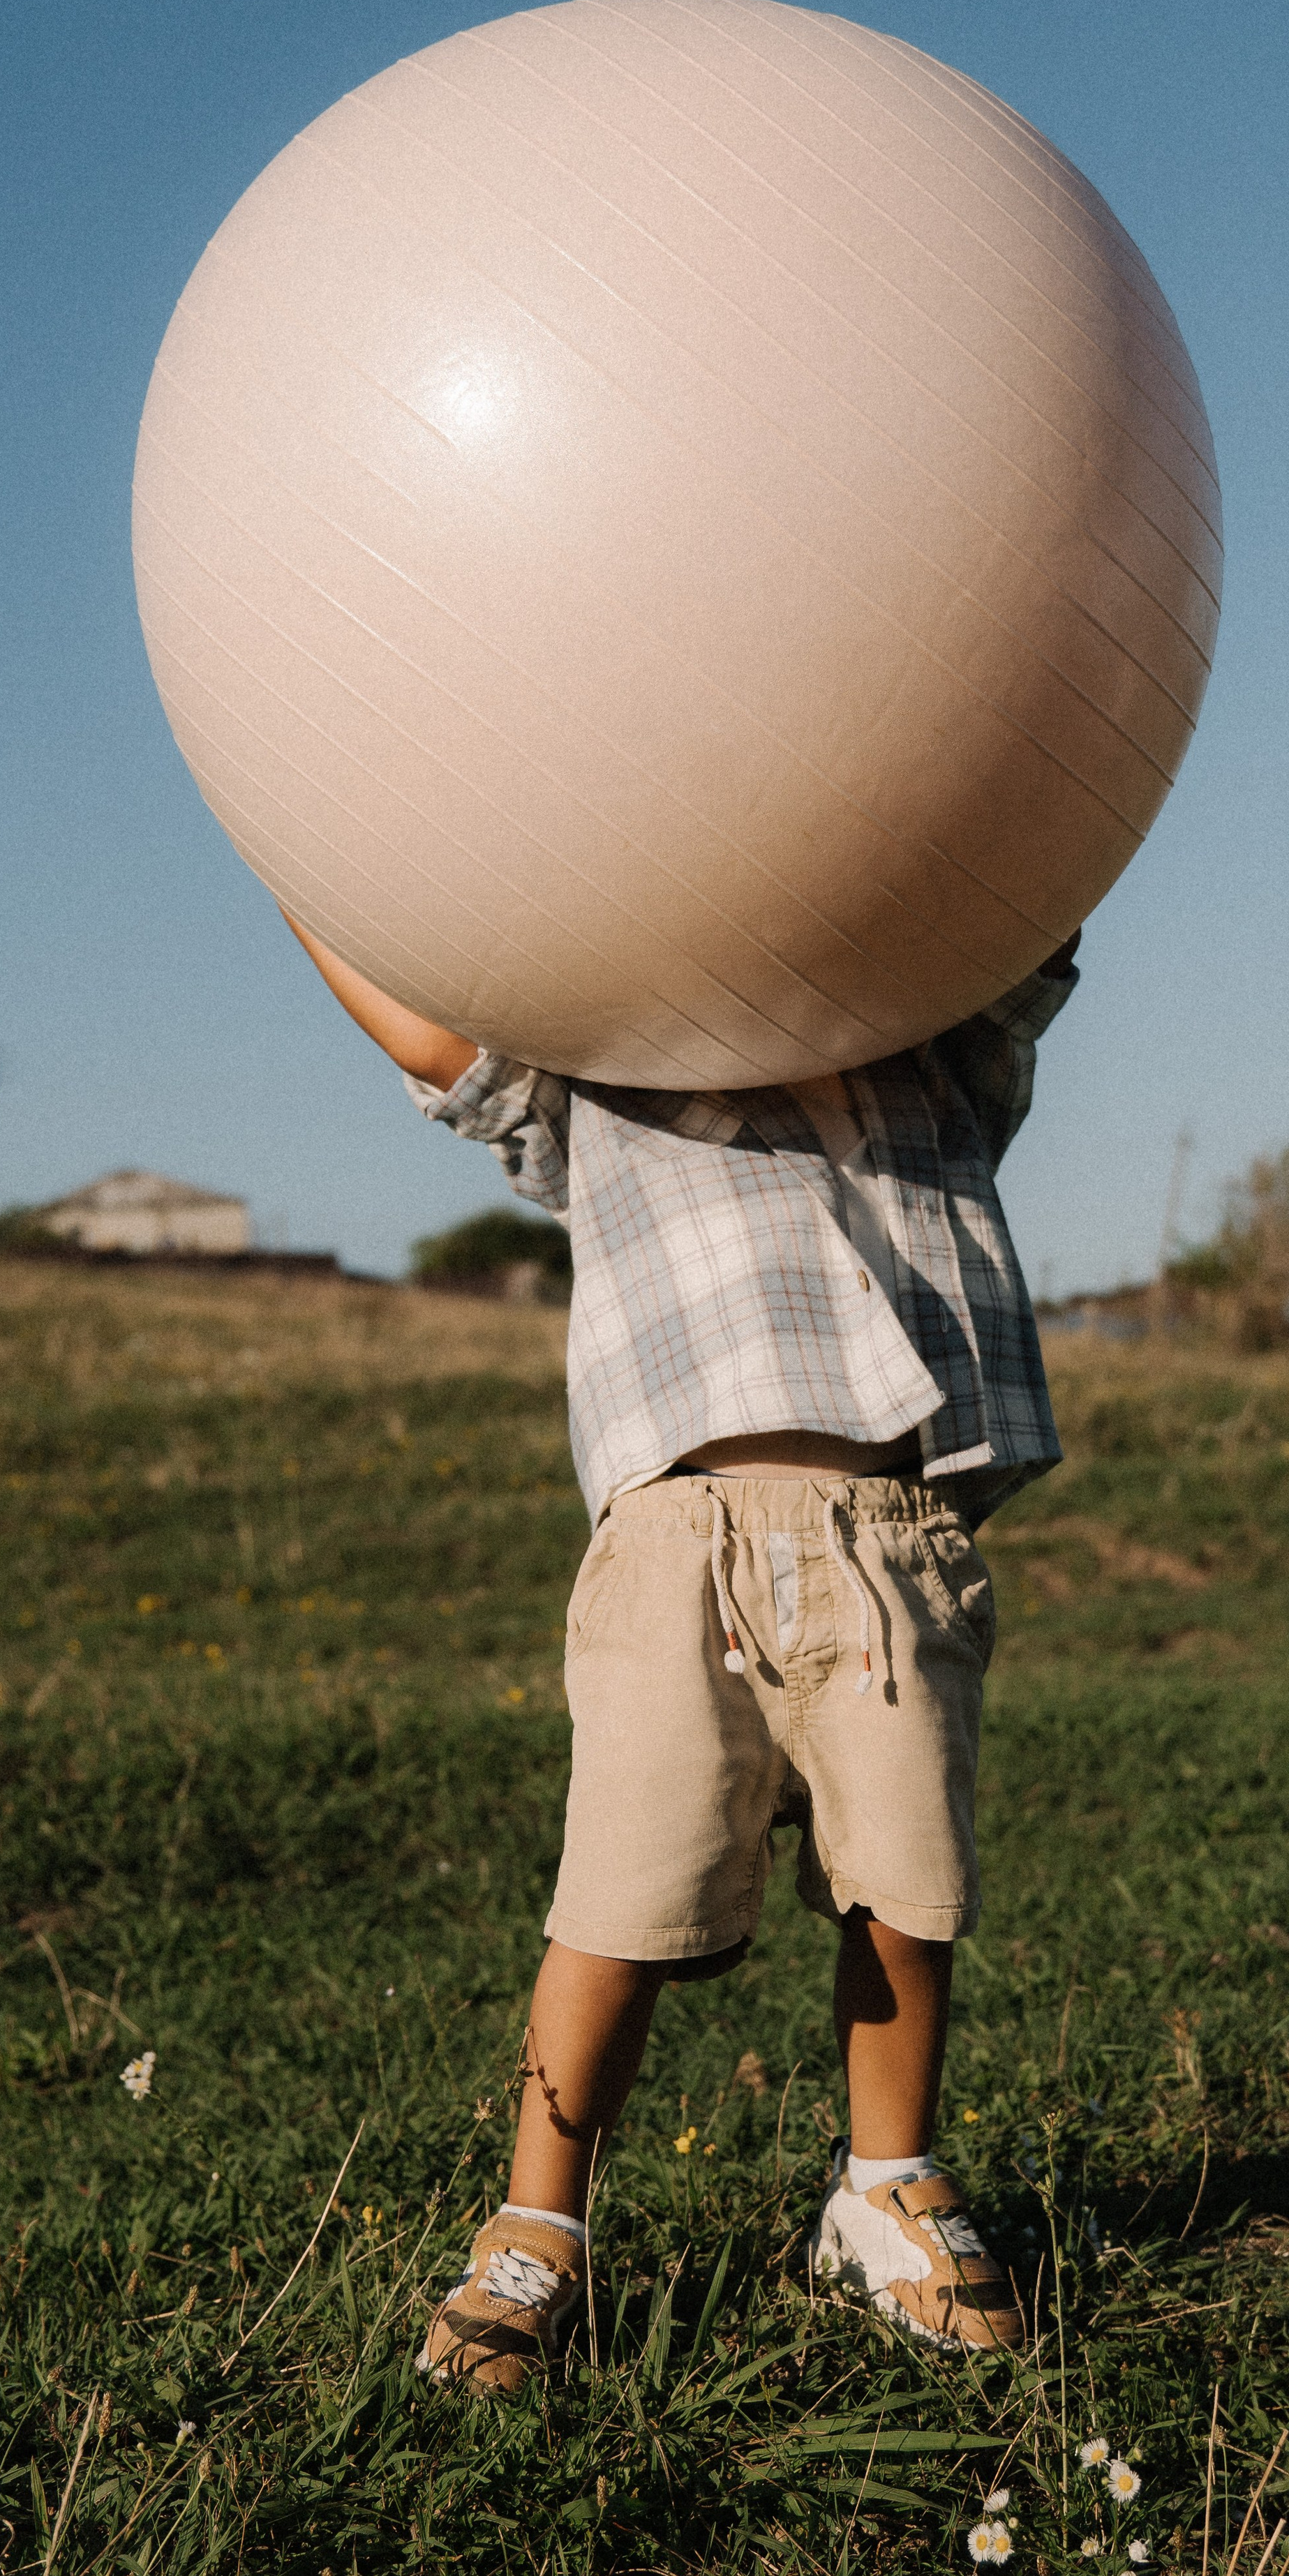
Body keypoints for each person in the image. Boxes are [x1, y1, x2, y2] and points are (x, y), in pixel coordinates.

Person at [285, 911, 1080, 2390]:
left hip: (891, 1536)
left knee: (903, 1897)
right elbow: (435, 1039)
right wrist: (298, 855)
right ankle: (537, 2227)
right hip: (676, 1545)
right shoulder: (596, 1073)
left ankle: (885, 2188)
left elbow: (1026, 901)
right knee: (619, 1907)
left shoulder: (934, 1048)